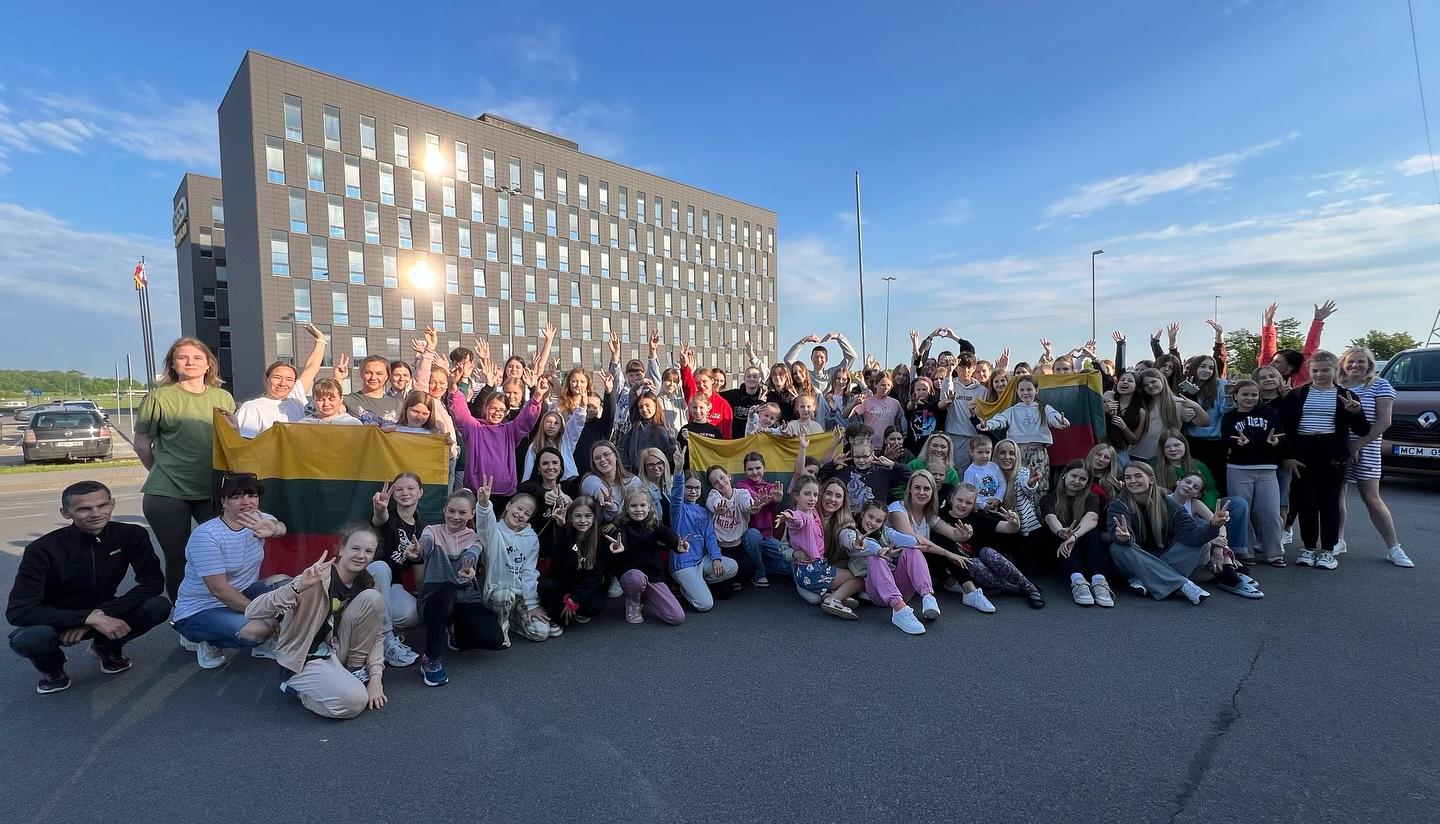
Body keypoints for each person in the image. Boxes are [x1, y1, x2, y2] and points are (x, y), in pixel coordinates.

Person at [7, 481, 170, 694]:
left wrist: (98, 615)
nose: (96, 513)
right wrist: (85, 618)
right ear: (66, 513)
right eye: (84, 509)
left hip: (105, 612)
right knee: (29, 639)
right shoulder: (42, 549)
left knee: (158, 606)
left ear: (112, 504)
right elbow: (19, 611)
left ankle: (105, 647)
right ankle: (53, 669)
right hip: (55, 620)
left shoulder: (132, 535)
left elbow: (152, 583)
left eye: (102, 505)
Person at [244, 526, 387, 718]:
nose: (361, 555)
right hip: (306, 657)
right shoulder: (316, 579)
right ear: (341, 549)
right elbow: (253, 611)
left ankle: (355, 671)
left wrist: (376, 678)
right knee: (355, 703)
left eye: (368, 551)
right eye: (355, 548)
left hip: (337, 650)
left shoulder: (365, 583)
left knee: (373, 598)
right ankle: (298, 691)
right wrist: (297, 586)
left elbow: (375, 634)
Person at [136, 337, 236, 600]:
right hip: (167, 492)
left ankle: (218, 606)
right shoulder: (159, 398)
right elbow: (142, 444)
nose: (190, 362)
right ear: (173, 364)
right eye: (182, 357)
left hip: (212, 489)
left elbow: (230, 441)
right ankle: (182, 615)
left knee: (221, 554)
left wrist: (234, 429)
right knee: (178, 556)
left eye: (197, 358)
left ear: (209, 364)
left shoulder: (223, 397)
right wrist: (160, 471)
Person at [170, 473, 286, 668]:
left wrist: (275, 529)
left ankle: (261, 644)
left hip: (242, 592)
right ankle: (207, 640)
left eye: (252, 495)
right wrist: (261, 612)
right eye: (236, 497)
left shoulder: (259, 519)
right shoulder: (207, 536)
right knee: (257, 629)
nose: (246, 502)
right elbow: (220, 590)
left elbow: (280, 526)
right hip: (201, 609)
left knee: (287, 585)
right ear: (223, 502)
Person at [1280, 350, 1370, 570]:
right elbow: (1285, 428)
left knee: (1330, 503)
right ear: (1309, 371)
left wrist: (1356, 413)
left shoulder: (1347, 396)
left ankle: (1328, 550)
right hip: (1303, 451)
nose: (1320, 374)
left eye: (1325, 370)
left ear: (1335, 370)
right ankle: (1309, 547)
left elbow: (1363, 429)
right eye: (1315, 370)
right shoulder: (1297, 395)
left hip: (1332, 453)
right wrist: (1288, 456)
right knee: (1306, 502)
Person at [416, 489, 505, 687]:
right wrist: (418, 551)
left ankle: (455, 633)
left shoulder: (474, 537)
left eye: (462, 512)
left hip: (465, 598)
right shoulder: (432, 531)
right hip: (435, 599)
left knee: (494, 639)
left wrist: (469, 568)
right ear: (444, 510)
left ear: (472, 514)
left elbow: (472, 555)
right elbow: (424, 545)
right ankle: (430, 659)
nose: (455, 516)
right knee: (447, 588)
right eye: (452, 511)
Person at [1337, 346, 1415, 567]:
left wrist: (1358, 445)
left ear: (1369, 365)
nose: (1355, 365)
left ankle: (1394, 548)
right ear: (1343, 363)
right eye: (1351, 361)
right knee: (1337, 496)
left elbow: (1384, 421)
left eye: (1361, 361)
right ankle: (1338, 540)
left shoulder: (1380, 385)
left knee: (1372, 499)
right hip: (1338, 448)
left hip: (1367, 448)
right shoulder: (1337, 386)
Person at [1105, 462, 1226, 604]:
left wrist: (1213, 526)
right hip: (1135, 559)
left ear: (1151, 479)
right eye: (1128, 477)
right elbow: (1117, 532)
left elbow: (1191, 535)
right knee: (1118, 548)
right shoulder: (1119, 504)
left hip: (1166, 556)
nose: (1133, 481)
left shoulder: (1170, 504)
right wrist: (1123, 538)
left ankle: (1145, 579)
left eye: (1138, 476)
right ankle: (1182, 584)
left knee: (1203, 545)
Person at [447, 366, 545, 503]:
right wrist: (453, 386)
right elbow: (460, 411)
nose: (497, 413)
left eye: (502, 410)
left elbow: (527, 418)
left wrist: (538, 396)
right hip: (477, 490)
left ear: (506, 412)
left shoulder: (510, 430)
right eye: (493, 408)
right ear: (485, 409)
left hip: (504, 493)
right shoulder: (474, 427)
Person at [474, 479, 552, 643]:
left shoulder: (531, 538)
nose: (521, 514)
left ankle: (512, 621)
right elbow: (484, 524)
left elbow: (529, 572)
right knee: (504, 595)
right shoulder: (494, 532)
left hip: (519, 596)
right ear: (509, 505)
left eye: (527, 513)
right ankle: (501, 625)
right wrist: (484, 504)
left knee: (541, 632)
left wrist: (532, 604)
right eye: (519, 508)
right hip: (497, 594)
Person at [1221, 380, 1286, 567]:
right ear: (1236, 396)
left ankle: (1274, 553)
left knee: (1270, 512)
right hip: (1238, 468)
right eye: (1245, 394)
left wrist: (1276, 443)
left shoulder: (1270, 413)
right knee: (1243, 511)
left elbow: (1281, 436)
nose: (1249, 398)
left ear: (1259, 396)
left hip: (1267, 469)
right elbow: (1226, 440)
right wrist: (1236, 443)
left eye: (1254, 395)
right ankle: (1244, 550)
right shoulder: (1230, 417)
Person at [604, 490, 688, 625]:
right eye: (633, 506)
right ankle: (633, 601)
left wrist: (678, 546)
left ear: (649, 507)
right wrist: (619, 545)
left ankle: (644, 596)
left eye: (643, 505)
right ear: (627, 508)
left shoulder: (654, 524)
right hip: (632, 576)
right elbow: (620, 536)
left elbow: (668, 535)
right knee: (636, 579)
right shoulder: (620, 526)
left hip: (652, 575)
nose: (638, 509)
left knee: (677, 617)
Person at [979, 375, 1070, 495]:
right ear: (1017, 391)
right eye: (1022, 390)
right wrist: (988, 425)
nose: (1025, 393)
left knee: (1039, 485)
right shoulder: (1012, 410)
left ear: (1036, 390)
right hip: (1017, 453)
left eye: (1029, 389)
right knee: (1016, 486)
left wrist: (1061, 422)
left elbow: (1054, 417)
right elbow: (1000, 420)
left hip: (1038, 454)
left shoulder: (1044, 408)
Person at [1041, 461, 1115, 607]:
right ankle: (1078, 580)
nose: (1077, 481)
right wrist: (1062, 532)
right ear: (1064, 475)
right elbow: (1050, 518)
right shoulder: (1050, 498)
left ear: (1087, 482)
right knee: (1060, 534)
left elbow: (1092, 517)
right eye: (1074, 476)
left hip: (1084, 545)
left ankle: (1099, 580)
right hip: (1059, 549)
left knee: (1093, 531)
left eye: (1082, 479)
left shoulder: (1091, 497)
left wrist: (1075, 536)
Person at [367, 474, 423, 667]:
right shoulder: (388, 515)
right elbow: (379, 519)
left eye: (410, 488)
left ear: (420, 492)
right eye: (399, 489)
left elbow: (419, 568)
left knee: (412, 613)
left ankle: (371, 632)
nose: (405, 492)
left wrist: (416, 557)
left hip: (393, 585)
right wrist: (379, 509)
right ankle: (387, 640)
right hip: (370, 582)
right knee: (381, 567)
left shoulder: (420, 527)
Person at [232, 324, 327, 436]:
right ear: (266, 379)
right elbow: (245, 442)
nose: (283, 383)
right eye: (277, 377)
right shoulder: (252, 408)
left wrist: (321, 340)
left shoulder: (294, 398)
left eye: (289, 379)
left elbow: (312, 367)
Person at [669, 461, 739, 611]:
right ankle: (685, 587)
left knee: (732, 566)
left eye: (697, 488)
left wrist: (716, 558)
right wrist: (679, 469)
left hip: (701, 562)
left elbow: (710, 537)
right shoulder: (678, 509)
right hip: (683, 565)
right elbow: (676, 493)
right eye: (689, 487)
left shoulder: (704, 512)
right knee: (705, 605)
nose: (693, 491)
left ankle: (697, 583)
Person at [537, 497, 608, 626]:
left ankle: (575, 611)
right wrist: (559, 526)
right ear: (571, 517)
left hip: (581, 587)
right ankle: (558, 616)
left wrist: (575, 597)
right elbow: (556, 566)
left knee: (597, 604)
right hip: (562, 584)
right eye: (578, 516)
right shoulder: (565, 532)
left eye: (588, 516)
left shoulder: (599, 540)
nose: (583, 520)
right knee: (545, 586)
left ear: (594, 517)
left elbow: (595, 576)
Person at [1259, 300, 1335, 389]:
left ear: (1290, 367)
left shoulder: (1301, 379)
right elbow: (1267, 351)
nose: (1271, 364)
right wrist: (1268, 325)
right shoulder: (1266, 375)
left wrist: (1318, 321)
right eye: (1273, 360)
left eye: (1277, 362)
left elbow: (1310, 350)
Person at [939, 351, 988, 469]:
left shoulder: (982, 390)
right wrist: (949, 371)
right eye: (962, 367)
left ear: (974, 368)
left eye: (969, 367)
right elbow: (943, 399)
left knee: (979, 469)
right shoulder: (950, 384)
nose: (965, 370)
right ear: (957, 367)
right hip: (956, 436)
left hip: (976, 437)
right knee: (960, 471)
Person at [340, 354, 402, 425]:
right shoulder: (348, 401)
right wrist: (338, 379)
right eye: (368, 373)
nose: (373, 378)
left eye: (379, 374)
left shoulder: (397, 405)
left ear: (387, 376)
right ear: (361, 374)